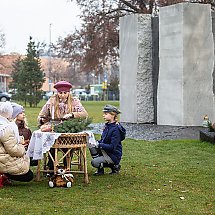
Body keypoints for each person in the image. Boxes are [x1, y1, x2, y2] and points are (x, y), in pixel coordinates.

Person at [38, 80, 88, 173]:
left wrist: (72, 114)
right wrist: (42, 119)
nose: (63, 95)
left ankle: (66, 166)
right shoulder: (51, 101)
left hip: (69, 130)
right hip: (54, 128)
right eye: (60, 93)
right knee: (51, 145)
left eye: (65, 93)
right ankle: (51, 166)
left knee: (68, 146)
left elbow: (84, 114)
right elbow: (41, 114)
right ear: (57, 93)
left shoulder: (74, 101)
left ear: (69, 93)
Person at [0, 101, 33, 187]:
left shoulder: (3, 125)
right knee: (29, 176)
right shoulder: (6, 128)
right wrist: (23, 148)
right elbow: (13, 150)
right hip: (3, 159)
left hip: (3, 156)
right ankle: (3, 175)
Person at [89, 104, 126, 176]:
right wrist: (95, 142)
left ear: (113, 115)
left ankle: (114, 166)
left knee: (94, 162)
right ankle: (100, 170)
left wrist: (99, 144)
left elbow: (112, 147)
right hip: (105, 151)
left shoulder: (116, 129)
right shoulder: (107, 126)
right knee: (91, 147)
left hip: (113, 155)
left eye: (106, 114)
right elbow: (104, 140)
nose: (103, 115)